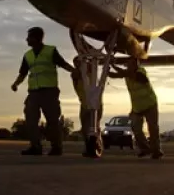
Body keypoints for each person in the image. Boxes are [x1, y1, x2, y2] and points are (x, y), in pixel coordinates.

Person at [11, 27, 74, 156]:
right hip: (33, 93)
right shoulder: (27, 55)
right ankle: (35, 146)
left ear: (36, 38)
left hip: (49, 91)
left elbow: (63, 64)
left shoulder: (50, 51)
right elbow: (23, 73)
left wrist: (76, 72)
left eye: (29, 37)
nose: (27, 39)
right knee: (30, 118)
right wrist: (16, 84)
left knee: (52, 121)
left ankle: (56, 147)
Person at [109, 57, 163, 159]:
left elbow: (126, 74)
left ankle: (156, 151)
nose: (129, 66)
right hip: (137, 107)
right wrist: (107, 70)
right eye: (128, 64)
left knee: (153, 128)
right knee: (136, 128)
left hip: (150, 104)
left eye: (132, 64)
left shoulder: (140, 73)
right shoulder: (126, 74)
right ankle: (145, 148)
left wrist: (113, 66)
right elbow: (115, 75)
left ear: (136, 65)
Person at [71, 56, 104, 157]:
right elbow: (75, 75)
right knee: (85, 128)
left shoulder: (91, 73)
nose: (77, 66)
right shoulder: (76, 75)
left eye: (79, 63)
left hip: (95, 103)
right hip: (84, 104)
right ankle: (88, 147)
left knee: (94, 126)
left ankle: (97, 146)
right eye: (76, 64)